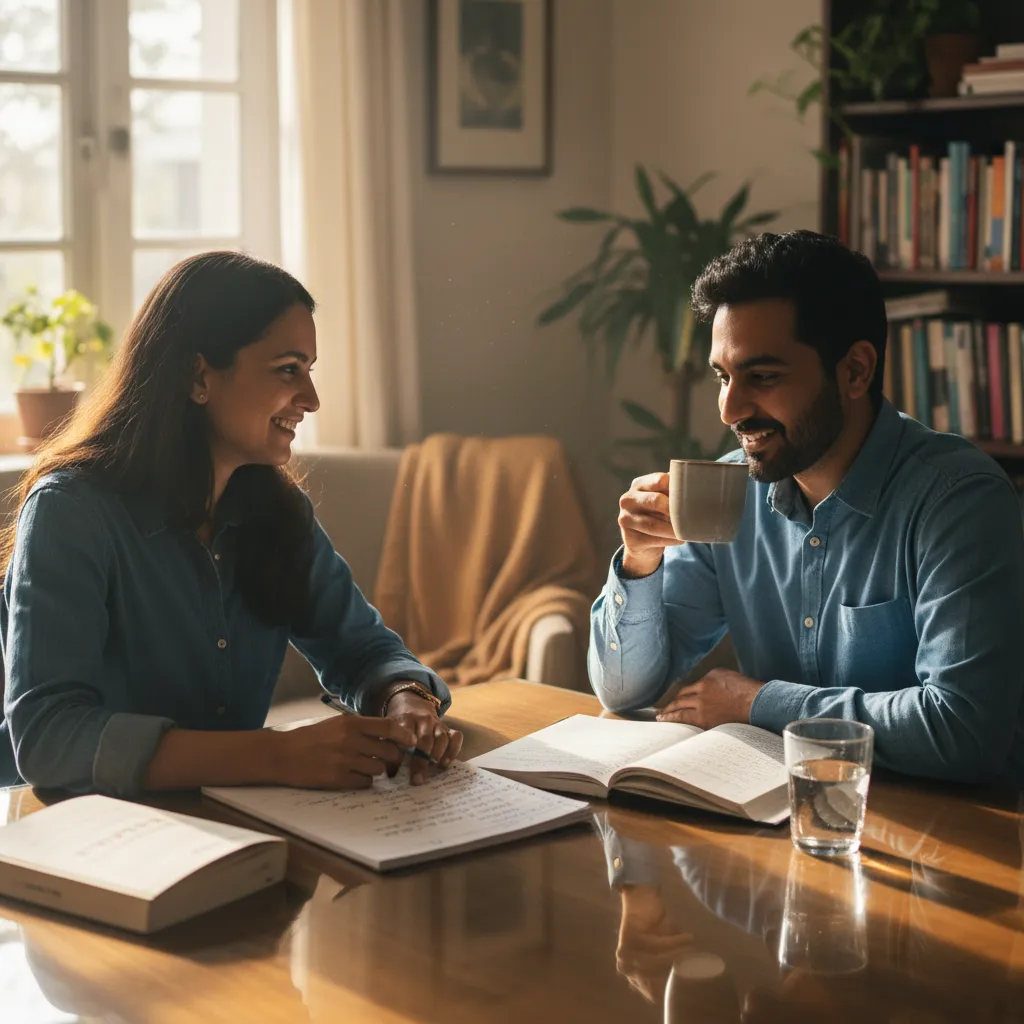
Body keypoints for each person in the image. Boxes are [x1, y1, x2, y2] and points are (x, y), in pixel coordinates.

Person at [0, 251, 462, 794]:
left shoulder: (278, 513)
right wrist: (277, 754)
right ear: (199, 375)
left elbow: (364, 650)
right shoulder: (70, 511)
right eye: (288, 370)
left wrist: (406, 699)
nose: (311, 400)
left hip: (232, 828)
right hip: (74, 840)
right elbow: (49, 737)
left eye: (309, 372)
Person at [589, 230, 1024, 784]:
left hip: (951, 835)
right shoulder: (730, 490)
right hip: (781, 819)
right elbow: (625, 691)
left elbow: (962, 731)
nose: (730, 409)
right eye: (723, 376)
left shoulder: (958, 500)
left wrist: (759, 702)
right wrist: (640, 564)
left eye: (762, 376)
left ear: (855, 371)